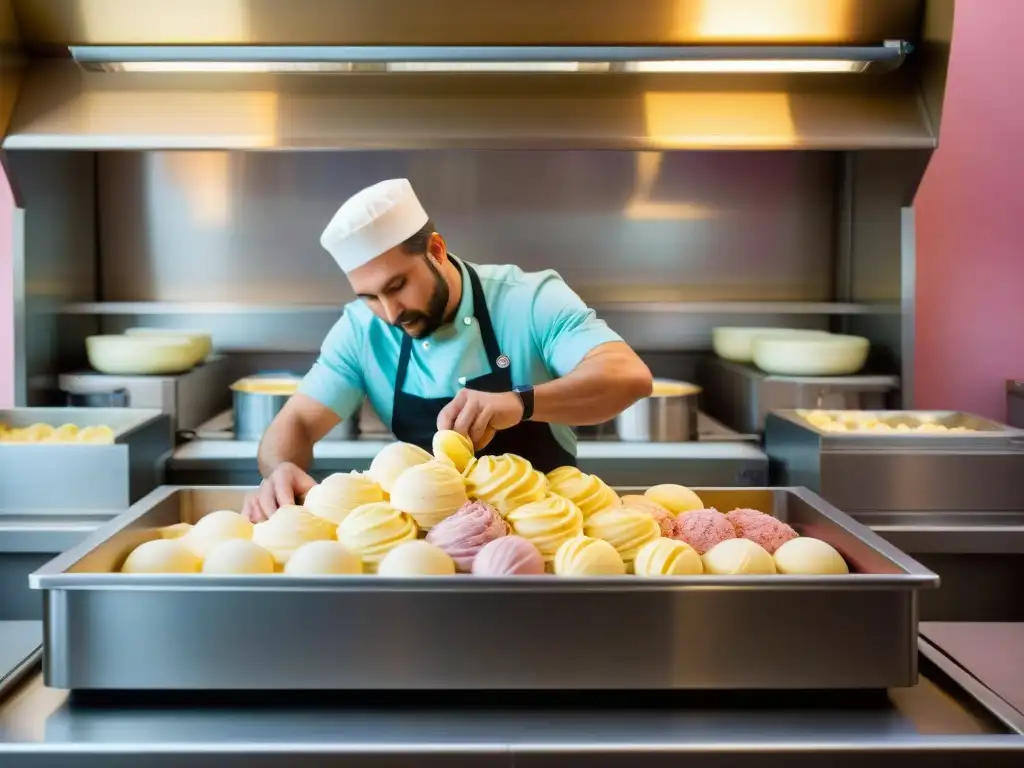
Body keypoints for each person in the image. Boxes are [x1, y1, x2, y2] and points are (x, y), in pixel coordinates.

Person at [242, 178, 653, 521]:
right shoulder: (361, 330)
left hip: (550, 541)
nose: (389, 313)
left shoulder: (528, 300)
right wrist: (279, 471)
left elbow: (628, 377)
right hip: (429, 551)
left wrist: (520, 403)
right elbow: (294, 421)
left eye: (397, 286)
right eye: (370, 296)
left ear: (436, 251)